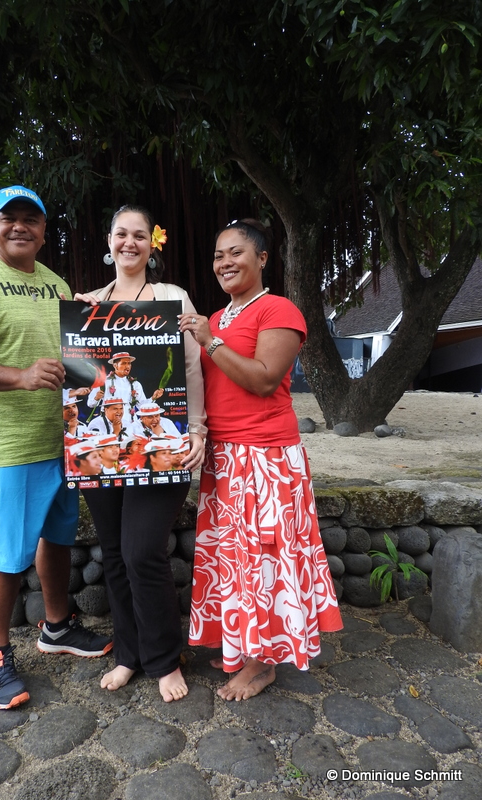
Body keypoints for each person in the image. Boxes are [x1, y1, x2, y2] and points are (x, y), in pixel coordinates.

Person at [0, 185, 112, 711]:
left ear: (42, 228)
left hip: (62, 440)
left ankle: (56, 626)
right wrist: (20, 377)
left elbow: (76, 349)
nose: (19, 227)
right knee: (8, 555)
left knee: (57, 538)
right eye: (7, 218)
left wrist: (89, 321)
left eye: (30, 219)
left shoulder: (53, 282)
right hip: (6, 447)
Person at [179, 219, 343, 702]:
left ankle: (262, 663)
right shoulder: (218, 318)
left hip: (265, 459)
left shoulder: (278, 310)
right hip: (225, 458)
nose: (224, 263)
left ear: (262, 258)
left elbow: (265, 379)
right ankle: (240, 646)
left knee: (262, 560)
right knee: (233, 562)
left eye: (235, 253)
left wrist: (209, 341)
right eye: (217, 256)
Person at [74, 204, 207, 702]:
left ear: (153, 243)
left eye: (139, 235)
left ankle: (164, 656)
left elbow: (191, 369)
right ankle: (129, 653)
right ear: (109, 241)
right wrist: (78, 320)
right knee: (114, 555)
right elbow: (83, 385)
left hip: (156, 450)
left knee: (142, 551)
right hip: (106, 453)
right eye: (120, 234)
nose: (129, 243)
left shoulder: (172, 298)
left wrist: (195, 430)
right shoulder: (90, 304)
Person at [87, 352, 163, 426]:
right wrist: (96, 398)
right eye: (124, 363)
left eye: (129, 363)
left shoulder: (135, 384)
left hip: (131, 422)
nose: (127, 366)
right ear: (115, 366)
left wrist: (153, 397)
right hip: (109, 423)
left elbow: (142, 406)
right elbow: (90, 404)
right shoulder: (104, 382)